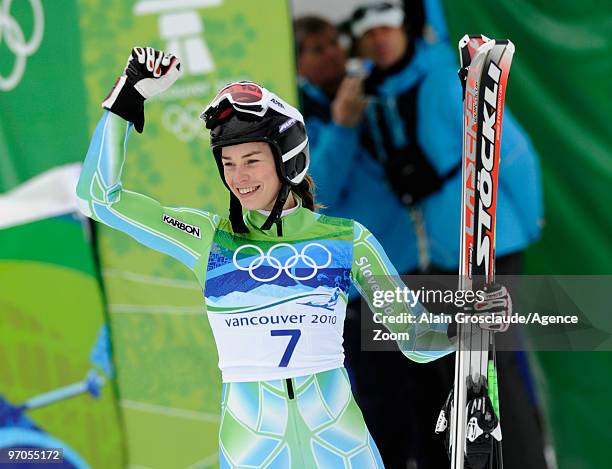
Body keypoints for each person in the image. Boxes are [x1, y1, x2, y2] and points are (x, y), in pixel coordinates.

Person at [76, 47, 512, 468]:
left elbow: (416, 340)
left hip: (340, 445)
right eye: (228, 163)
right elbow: (99, 198)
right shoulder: (207, 238)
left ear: (288, 161)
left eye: (251, 160)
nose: (239, 177)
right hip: (253, 449)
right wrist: (127, 99)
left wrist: (467, 326)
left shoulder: (348, 241)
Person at [349, 2, 547, 468]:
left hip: (489, 246)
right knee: (447, 376)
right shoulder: (368, 97)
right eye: (367, 29)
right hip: (431, 261)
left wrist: (528, 219)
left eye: (387, 23)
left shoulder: (445, 72)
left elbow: (510, 147)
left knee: (492, 371)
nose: (380, 36)